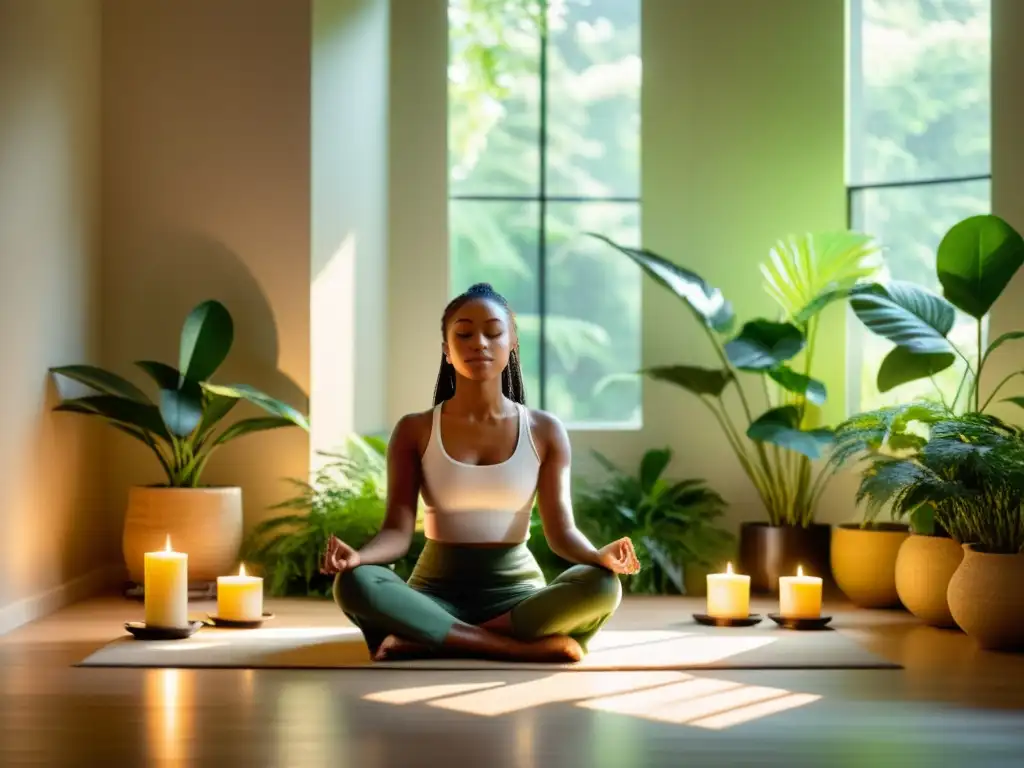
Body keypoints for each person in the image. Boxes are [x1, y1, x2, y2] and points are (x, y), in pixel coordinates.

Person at [321, 282, 639, 663]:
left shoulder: (544, 430)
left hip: (517, 598)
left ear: (512, 344)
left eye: (493, 331)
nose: (480, 343)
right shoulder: (415, 429)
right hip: (432, 594)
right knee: (355, 583)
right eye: (464, 333)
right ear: (447, 350)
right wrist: (358, 559)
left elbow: (562, 532)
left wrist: (597, 555)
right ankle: (508, 647)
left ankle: (429, 638)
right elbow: (396, 533)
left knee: (603, 586)